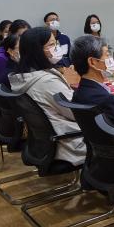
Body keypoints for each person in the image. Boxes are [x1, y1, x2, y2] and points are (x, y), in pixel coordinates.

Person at [8, 27, 86, 165]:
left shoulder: (24, 76)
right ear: (37, 51)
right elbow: (77, 113)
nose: (56, 47)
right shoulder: (47, 82)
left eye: (56, 43)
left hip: (46, 142)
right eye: (51, 44)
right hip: (70, 143)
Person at [70, 35, 114, 127]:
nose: (111, 59)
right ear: (92, 62)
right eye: (107, 55)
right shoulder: (109, 101)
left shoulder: (76, 94)